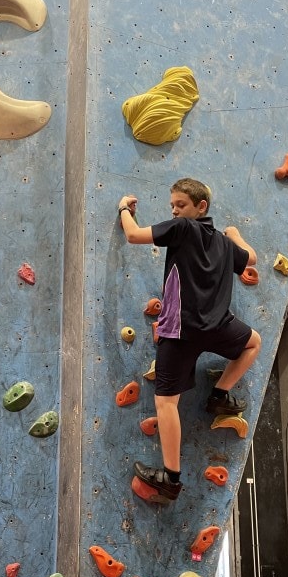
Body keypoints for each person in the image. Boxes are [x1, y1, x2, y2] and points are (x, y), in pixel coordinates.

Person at [118, 177, 261, 503]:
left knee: (167, 403)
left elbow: (132, 234)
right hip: (216, 327)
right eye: (172, 206)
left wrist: (124, 208)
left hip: (180, 330)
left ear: (201, 207)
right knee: (253, 343)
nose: (175, 211)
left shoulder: (182, 229)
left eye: (180, 205)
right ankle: (220, 395)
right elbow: (250, 258)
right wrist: (235, 234)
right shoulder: (226, 245)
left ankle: (170, 478)